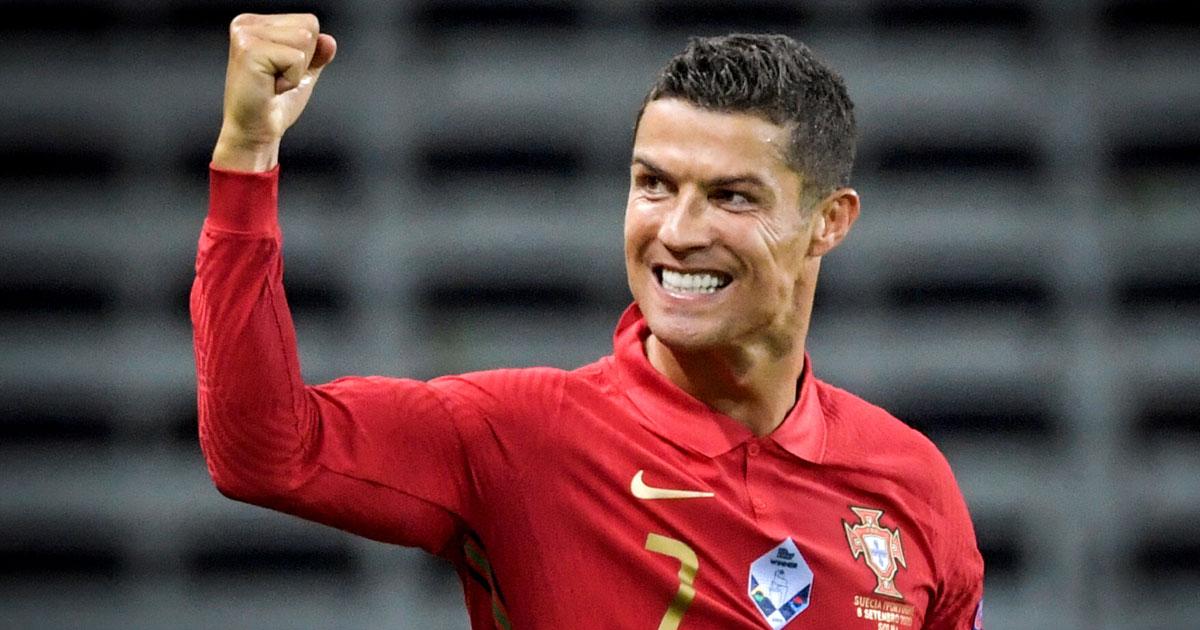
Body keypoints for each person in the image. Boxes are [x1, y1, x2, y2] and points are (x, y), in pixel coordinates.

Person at [192, 12, 985, 630]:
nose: (677, 231)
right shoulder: (516, 437)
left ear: (829, 222)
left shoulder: (910, 484)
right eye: (653, 184)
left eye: (731, 196)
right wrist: (248, 152)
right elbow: (263, 451)